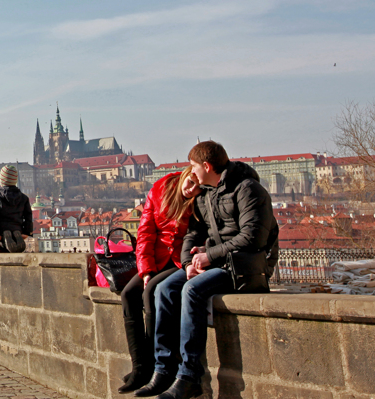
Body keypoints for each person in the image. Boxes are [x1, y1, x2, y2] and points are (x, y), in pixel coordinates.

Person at [137, 142, 278, 399]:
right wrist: (190, 263)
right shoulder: (206, 194)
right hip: (217, 261)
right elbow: (193, 234)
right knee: (165, 288)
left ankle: (189, 376)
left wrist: (208, 255)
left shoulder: (248, 189)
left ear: (206, 166)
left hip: (244, 267)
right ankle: (164, 368)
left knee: (192, 290)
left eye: (193, 166)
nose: (190, 173)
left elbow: (253, 238)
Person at [117, 166, 200, 394]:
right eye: (190, 183)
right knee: (128, 295)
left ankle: (158, 367)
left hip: (178, 260)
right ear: (185, 173)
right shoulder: (160, 188)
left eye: (197, 187)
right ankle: (140, 366)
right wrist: (145, 270)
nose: (192, 190)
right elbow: (145, 232)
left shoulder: (200, 198)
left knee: (152, 291)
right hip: (157, 256)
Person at [0, 165, 33, 254]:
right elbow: (28, 216)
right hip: (18, 229)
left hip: (2, 231)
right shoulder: (24, 198)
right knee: (14, 244)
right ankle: (16, 241)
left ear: (1, 181)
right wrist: (27, 232)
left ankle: (3, 244)